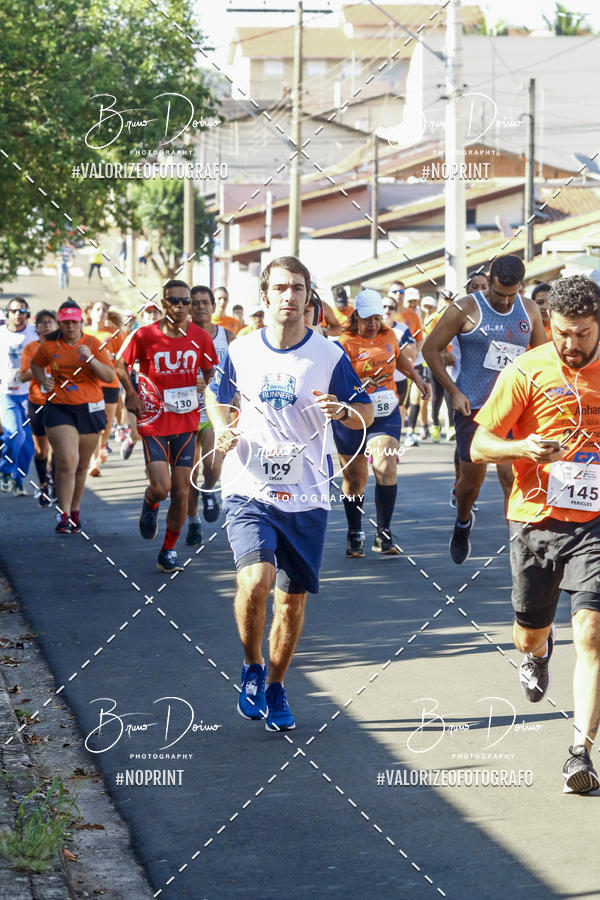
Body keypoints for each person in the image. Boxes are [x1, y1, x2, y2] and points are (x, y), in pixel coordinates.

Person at [205, 255, 373, 731]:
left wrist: (341, 410)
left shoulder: (329, 355)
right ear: (265, 296)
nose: (288, 296)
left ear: (307, 297)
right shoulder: (240, 351)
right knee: (255, 581)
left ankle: (276, 685)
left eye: (297, 288)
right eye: (280, 288)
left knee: (291, 600)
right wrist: (221, 427)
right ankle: (252, 666)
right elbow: (217, 398)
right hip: (249, 486)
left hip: (307, 493)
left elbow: (363, 411)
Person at [471, 275, 600, 794]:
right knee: (530, 628)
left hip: (594, 521)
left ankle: (579, 752)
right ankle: (535, 651)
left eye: (584, 334)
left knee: (591, 633)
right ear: (550, 325)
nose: (572, 344)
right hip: (534, 519)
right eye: (564, 333)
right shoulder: (527, 370)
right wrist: (524, 448)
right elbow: (480, 445)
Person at [423, 254, 547, 564]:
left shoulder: (529, 310)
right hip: (474, 406)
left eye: (512, 294)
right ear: (488, 281)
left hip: (516, 407)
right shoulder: (465, 308)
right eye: (500, 294)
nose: (506, 302)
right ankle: (463, 521)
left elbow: (544, 359)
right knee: (471, 485)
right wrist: (453, 391)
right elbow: (430, 348)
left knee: (510, 477)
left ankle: (520, 548)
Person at [116, 280, 218, 573]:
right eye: (175, 301)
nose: (182, 306)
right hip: (154, 419)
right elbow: (121, 364)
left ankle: (168, 550)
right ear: (164, 303)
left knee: (182, 492)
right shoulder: (145, 335)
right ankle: (150, 501)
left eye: (186, 301)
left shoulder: (200, 337)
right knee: (162, 488)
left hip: (186, 420)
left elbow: (213, 372)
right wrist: (131, 393)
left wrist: (212, 387)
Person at [333, 289, 430, 557]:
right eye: (367, 319)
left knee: (386, 465)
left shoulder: (389, 335)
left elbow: (398, 357)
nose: (374, 324)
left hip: (385, 412)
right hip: (351, 416)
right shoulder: (344, 343)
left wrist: (416, 378)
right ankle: (354, 533)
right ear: (357, 317)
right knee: (355, 480)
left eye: (377, 318)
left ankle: (384, 534)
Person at [30, 299, 114, 533]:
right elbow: (36, 364)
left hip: (90, 408)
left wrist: (90, 358)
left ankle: (75, 510)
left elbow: (108, 377)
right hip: (59, 408)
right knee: (67, 460)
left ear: (81, 321)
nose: (70, 327)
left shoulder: (93, 343)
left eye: (74, 322)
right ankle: (63, 515)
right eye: (65, 322)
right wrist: (42, 378)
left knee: (81, 466)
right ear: (60, 322)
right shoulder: (49, 345)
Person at [185, 285, 236, 546]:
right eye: (195, 303)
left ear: (214, 307)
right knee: (187, 475)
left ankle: (209, 492)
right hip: (183, 411)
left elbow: (239, 373)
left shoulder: (227, 336)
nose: (201, 307)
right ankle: (193, 523)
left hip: (214, 410)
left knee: (213, 466)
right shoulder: (181, 336)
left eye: (206, 302)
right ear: (188, 307)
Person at [19, 309, 58, 506]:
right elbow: (23, 376)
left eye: (50, 322)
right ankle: (43, 485)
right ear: (37, 327)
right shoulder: (30, 349)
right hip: (38, 402)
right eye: (42, 323)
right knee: (41, 450)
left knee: (60, 448)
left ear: (56, 325)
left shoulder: (63, 347)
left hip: (61, 403)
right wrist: (38, 369)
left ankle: (58, 487)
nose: (46, 326)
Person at [0, 298, 37, 495]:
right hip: (7, 394)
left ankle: (18, 479)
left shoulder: (34, 334)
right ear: (8, 313)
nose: (17, 314)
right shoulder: (1, 334)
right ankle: (4, 470)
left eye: (21, 310)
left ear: (27, 314)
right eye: (13, 310)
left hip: (30, 395)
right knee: (15, 434)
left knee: (28, 446)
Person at [84, 301, 125, 477]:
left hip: (111, 383)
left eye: (104, 310)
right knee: (94, 425)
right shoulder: (83, 333)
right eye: (97, 309)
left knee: (106, 426)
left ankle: (101, 446)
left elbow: (123, 358)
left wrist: (111, 356)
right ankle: (95, 461)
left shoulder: (114, 334)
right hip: (91, 384)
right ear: (90, 313)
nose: (101, 313)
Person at [382, 294, 416, 424]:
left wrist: (396, 341)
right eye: (384, 306)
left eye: (391, 307)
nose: (387, 310)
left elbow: (413, 354)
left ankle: (397, 439)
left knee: (400, 408)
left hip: (399, 378)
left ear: (396, 311)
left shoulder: (402, 329)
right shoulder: (371, 328)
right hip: (378, 379)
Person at [400, 287, 427, 447]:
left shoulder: (419, 315)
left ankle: (410, 431)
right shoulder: (396, 314)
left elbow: (420, 337)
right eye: (409, 301)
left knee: (416, 396)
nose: (412, 304)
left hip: (416, 361)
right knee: (402, 401)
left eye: (414, 301)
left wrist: (416, 353)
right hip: (398, 361)